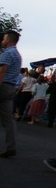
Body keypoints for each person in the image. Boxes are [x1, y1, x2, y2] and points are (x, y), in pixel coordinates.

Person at [0, 30, 22, 158]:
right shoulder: (17, 55)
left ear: (8, 40)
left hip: (3, 86)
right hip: (11, 88)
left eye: (4, 39)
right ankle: (11, 146)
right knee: (8, 119)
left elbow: (2, 71)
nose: (2, 41)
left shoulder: (7, 53)